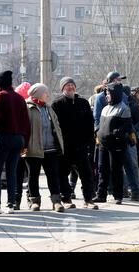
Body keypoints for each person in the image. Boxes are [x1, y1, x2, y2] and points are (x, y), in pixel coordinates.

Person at [51, 77, 98, 210]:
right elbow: (54, 127)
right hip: (64, 147)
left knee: (86, 173)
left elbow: (90, 124)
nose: (70, 87)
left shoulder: (83, 103)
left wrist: (89, 142)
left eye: (72, 85)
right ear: (62, 89)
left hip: (81, 146)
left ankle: (88, 199)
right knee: (62, 174)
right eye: (67, 86)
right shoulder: (57, 104)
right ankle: (66, 198)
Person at [23, 83, 65, 212]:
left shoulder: (48, 108)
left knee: (53, 175)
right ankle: (35, 201)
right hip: (33, 148)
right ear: (39, 93)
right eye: (46, 92)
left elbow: (56, 125)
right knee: (33, 176)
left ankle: (56, 201)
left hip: (50, 148)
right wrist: (24, 145)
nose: (48, 95)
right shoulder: (27, 107)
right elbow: (24, 128)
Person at [93, 83, 135, 205]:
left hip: (116, 145)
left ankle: (118, 195)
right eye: (106, 93)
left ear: (115, 94)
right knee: (102, 169)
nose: (107, 96)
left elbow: (127, 126)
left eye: (109, 93)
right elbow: (101, 125)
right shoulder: (105, 108)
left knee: (115, 170)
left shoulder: (123, 108)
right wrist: (99, 135)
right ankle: (101, 195)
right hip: (103, 144)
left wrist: (116, 134)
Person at [0, 71, 31, 214]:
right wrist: (25, 143)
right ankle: (11, 205)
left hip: (4, 138)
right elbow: (26, 123)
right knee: (12, 172)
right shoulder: (19, 98)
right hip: (19, 139)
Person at [122, 85, 139, 202]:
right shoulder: (120, 104)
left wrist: (131, 130)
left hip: (131, 139)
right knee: (126, 166)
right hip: (122, 139)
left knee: (132, 165)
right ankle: (124, 189)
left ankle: (134, 190)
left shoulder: (134, 106)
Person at [13, 82, 31, 210]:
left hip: (18, 144)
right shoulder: (33, 107)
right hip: (30, 145)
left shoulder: (16, 106)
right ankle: (30, 198)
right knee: (31, 173)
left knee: (17, 173)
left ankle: (16, 200)